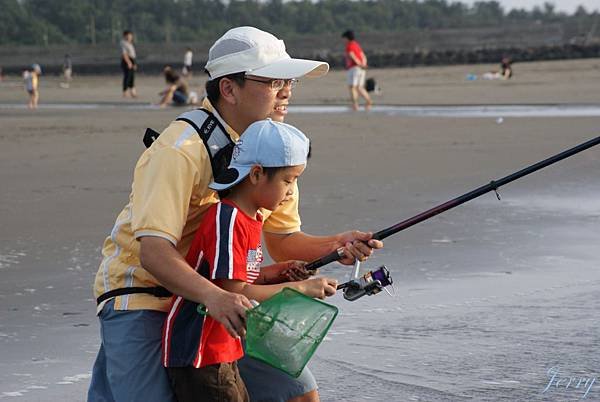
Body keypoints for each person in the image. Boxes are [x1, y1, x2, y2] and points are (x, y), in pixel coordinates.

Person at [87, 26, 383, 402]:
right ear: (229, 89)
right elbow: (154, 252)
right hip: (145, 295)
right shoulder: (179, 149)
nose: (287, 91)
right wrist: (215, 297)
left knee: (297, 391)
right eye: (275, 81)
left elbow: (283, 241)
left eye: (289, 81)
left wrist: (337, 243)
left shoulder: (272, 148)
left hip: (220, 295)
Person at [163, 119, 338, 402]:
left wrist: (275, 273)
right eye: (288, 180)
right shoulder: (228, 217)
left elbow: (237, 278)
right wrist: (302, 290)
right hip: (202, 351)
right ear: (256, 174)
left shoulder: (251, 217)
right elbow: (233, 293)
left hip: (225, 347)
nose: (292, 191)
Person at [342, 30, 372, 111]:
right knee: (359, 87)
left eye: (344, 38)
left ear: (347, 38)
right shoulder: (356, 45)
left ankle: (355, 105)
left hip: (354, 68)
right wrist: (363, 64)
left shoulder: (349, 45)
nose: (343, 40)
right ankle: (368, 101)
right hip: (361, 68)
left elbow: (352, 56)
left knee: (352, 87)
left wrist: (359, 64)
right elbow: (363, 56)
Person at [120, 30, 137, 98]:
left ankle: (133, 92)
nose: (130, 37)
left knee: (132, 77)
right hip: (126, 61)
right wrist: (129, 62)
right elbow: (124, 54)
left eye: (130, 35)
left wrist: (134, 63)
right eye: (128, 35)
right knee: (127, 77)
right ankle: (125, 92)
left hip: (132, 60)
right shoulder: (123, 43)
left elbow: (133, 55)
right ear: (124, 36)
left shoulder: (130, 43)